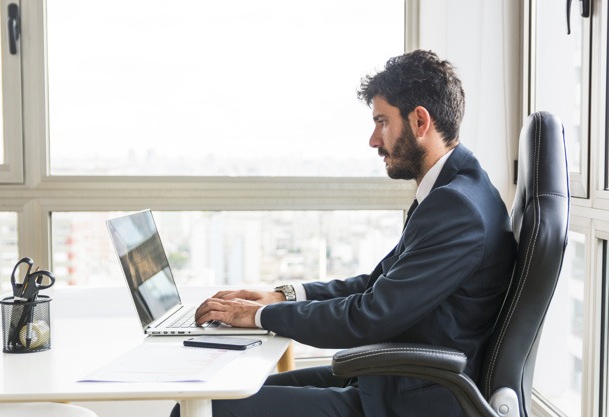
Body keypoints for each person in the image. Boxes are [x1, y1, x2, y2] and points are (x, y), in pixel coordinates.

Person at [170, 49, 517, 417]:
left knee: (206, 411)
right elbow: (375, 284)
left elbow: (370, 316)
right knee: (220, 395)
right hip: (393, 379)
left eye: (382, 122)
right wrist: (280, 297)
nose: (373, 139)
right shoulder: (454, 190)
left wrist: (254, 317)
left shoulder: (457, 208)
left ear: (419, 121)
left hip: (411, 402)